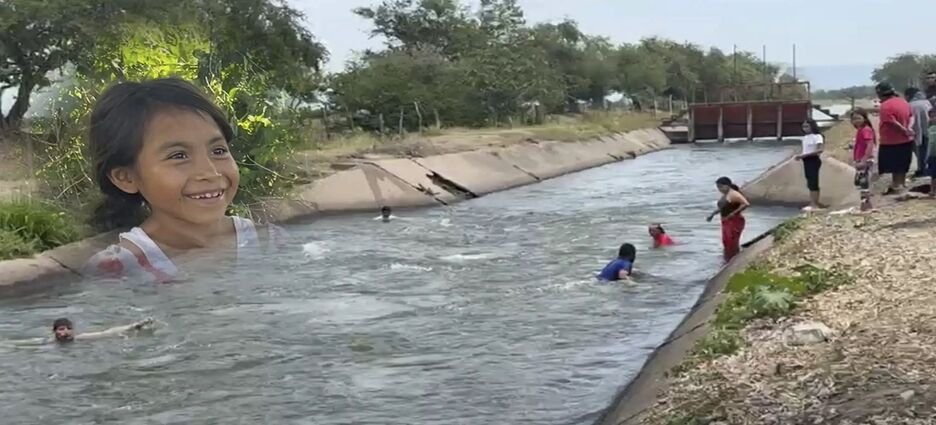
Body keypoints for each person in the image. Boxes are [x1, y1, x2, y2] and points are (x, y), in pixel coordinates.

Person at [81, 78, 286, 282]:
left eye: (218, 150)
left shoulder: (269, 242)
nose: (210, 172)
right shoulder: (117, 270)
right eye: (178, 156)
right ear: (126, 178)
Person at [875, 82, 914, 195]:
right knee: (902, 164)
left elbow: (890, 121)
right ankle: (900, 183)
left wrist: (903, 129)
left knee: (893, 165)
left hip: (890, 140)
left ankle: (896, 185)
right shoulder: (904, 102)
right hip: (906, 139)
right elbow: (912, 116)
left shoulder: (885, 106)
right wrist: (908, 129)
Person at [707, 177, 749, 262]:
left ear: (728, 185)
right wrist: (712, 214)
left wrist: (733, 214)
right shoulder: (726, 195)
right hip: (726, 221)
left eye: (721, 187)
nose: (719, 189)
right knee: (726, 241)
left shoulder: (734, 194)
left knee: (731, 242)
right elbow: (722, 208)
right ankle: (728, 259)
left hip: (734, 221)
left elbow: (746, 204)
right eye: (718, 187)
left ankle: (733, 260)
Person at [795, 119, 827, 209]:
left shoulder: (817, 136)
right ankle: (813, 202)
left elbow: (819, 150)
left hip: (813, 159)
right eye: (803, 127)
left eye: (807, 126)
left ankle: (814, 204)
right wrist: (802, 156)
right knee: (809, 182)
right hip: (806, 160)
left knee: (813, 182)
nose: (805, 128)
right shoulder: (805, 138)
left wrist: (804, 155)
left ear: (812, 126)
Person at [52, 317, 155, 343]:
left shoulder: (79, 338)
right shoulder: (50, 342)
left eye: (68, 329)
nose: (65, 332)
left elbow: (106, 333)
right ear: (54, 331)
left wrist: (132, 327)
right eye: (61, 329)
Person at [850, 110, 877, 210]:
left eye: (858, 118)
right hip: (860, 160)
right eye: (853, 119)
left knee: (864, 183)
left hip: (865, 161)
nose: (856, 121)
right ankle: (865, 204)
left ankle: (866, 205)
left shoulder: (866, 129)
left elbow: (869, 145)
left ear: (864, 119)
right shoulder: (861, 130)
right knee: (861, 183)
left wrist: (864, 160)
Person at [906, 87, 933, 178]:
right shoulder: (927, 103)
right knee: (929, 150)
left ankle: (922, 169)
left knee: (919, 151)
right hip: (929, 130)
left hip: (915, 131)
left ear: (909, 96)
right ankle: (928, 169)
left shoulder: (910, 105)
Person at [928, 108, 936, 196]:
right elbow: (930, 144)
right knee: (933, 174)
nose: (933, 118)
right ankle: (932, 190)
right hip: (933, 155)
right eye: (931, 116)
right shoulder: (931, 128)